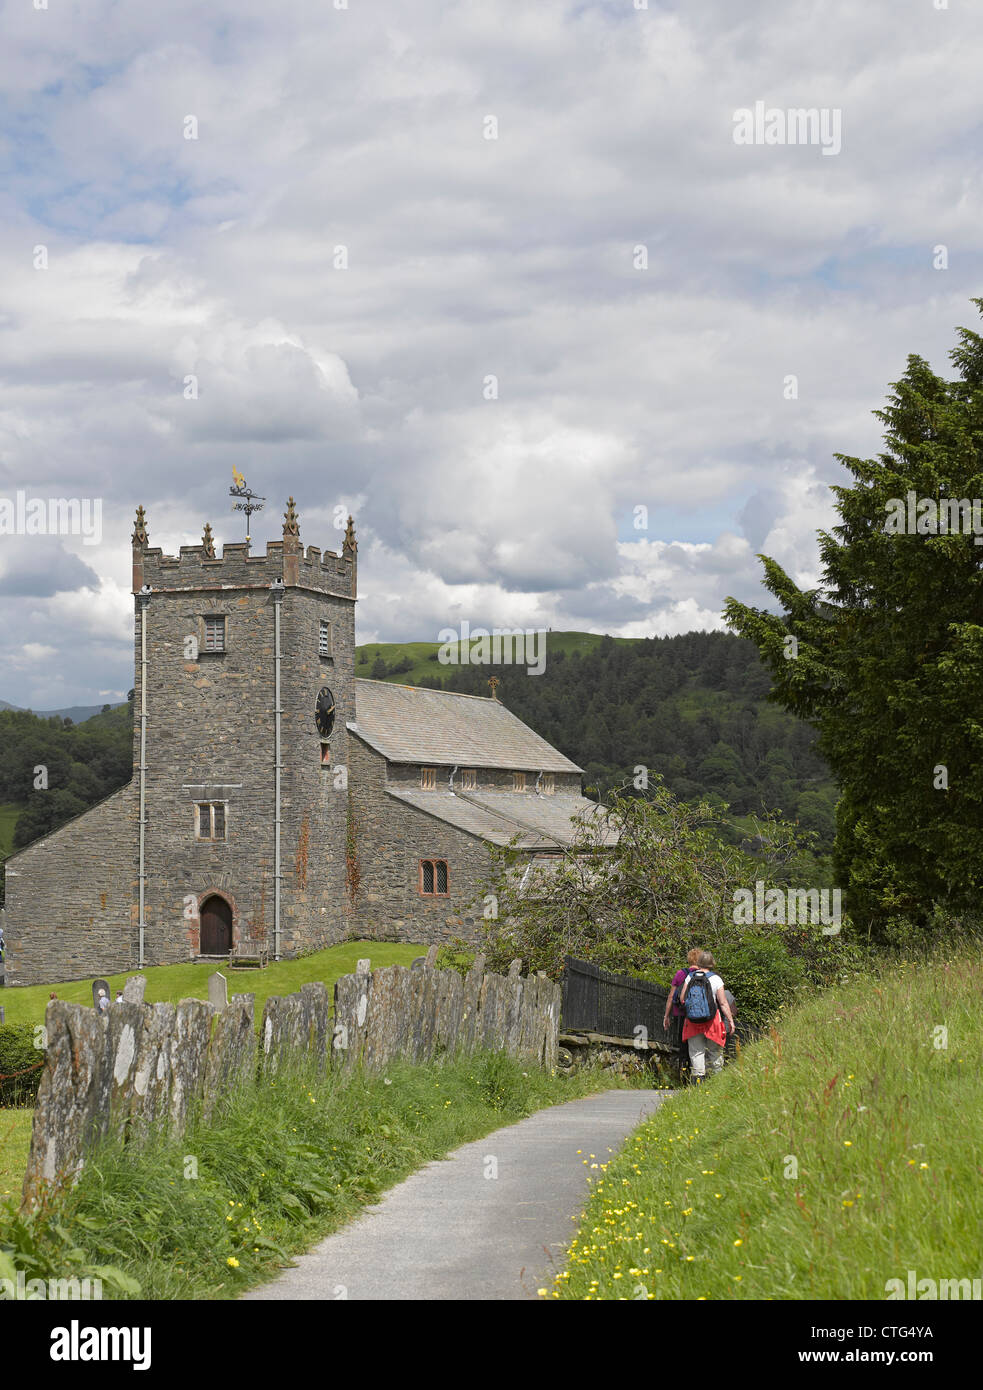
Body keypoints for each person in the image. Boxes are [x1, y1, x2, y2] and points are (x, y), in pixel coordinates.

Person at [679, 951, 734, 1081]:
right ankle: (717, 1082)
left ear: (698, 963)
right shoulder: (716, 979)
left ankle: (698, 1083)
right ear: (712, 963)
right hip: (712, 1022)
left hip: (692, 1022)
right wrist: (730, 1021)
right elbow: (723, 1003)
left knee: (696, 1052)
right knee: (715, 1052)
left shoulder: (690, 977)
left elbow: (682, 998)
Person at [663, 948, 702, 1076]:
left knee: (682, 1044)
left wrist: (666, 1016)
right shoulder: (704, 974)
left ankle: (683, 1072)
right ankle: (697, 1073)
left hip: (680, 1014)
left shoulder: (680, 974)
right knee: (697, 1044)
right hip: (698, 1015)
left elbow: (671, 996)